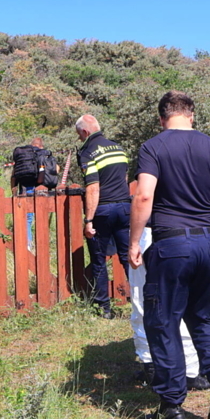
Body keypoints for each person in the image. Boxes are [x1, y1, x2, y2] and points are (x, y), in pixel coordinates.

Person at [129, 91, 210, 419]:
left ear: (163, 117)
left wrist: (134, 241)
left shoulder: (153, 147)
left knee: (163, 321)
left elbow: (144, 194)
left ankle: (171, 407)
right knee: (204, 318)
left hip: (172, 243)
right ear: (191, 115)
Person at [129, 185, 210, 393]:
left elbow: (142, 198)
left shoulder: (153, 161)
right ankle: (188, 370)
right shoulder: (199, 164)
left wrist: (133, 241)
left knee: (151, 305)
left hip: (157, 234)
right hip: (195, 237)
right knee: (188, 309)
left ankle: (155, 366)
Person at [75, 115, 132, 319]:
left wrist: (89, 220)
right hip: (125, 207)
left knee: (99, 261)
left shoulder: (88, 152)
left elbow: (93, 188)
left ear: (85, 132)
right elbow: (124, 178)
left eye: (79, 136)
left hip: (104, 211)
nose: (80, 139)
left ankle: (104, 309)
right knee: (129, 258)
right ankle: (142, 304)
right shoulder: (117, 147)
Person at [10, 137, 44, 252]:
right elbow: (42, 177)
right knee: (35, 217)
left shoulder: (22, 158)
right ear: (41, 146)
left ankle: (27, 244)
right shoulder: (38, 156)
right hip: (36, 190)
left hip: (23, 189)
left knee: (26, 218)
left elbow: (13, 176)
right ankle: (31, 245)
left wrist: (14, 192)